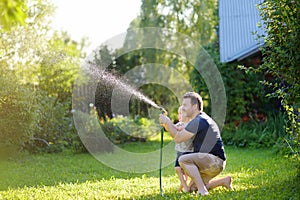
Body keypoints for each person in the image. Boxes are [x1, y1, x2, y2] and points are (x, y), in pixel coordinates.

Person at [159, 92, 232, 196]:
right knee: (193, 188)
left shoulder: (199, 120)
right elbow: (178, 130)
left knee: (183, 160)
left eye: (185, 105)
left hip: (214, 161)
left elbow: (178, 138)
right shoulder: (198, 119)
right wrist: (167, 124)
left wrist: (167, 122)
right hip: (210, 161)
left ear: (194, 106)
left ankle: (203, 191)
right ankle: (224, 181)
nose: (182, 108)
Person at [174, 106, 193, 192]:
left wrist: (172, 126)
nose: (179, 115)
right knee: (178, 169)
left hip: (188, 151)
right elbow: (172, 127)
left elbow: (179, 128)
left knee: (185, 171)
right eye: (178, 113)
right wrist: (165, 124)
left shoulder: (189, 124)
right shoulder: (178, 124)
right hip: (179, 152)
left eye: (181, 113)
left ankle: (184, 187)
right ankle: (185, 186)